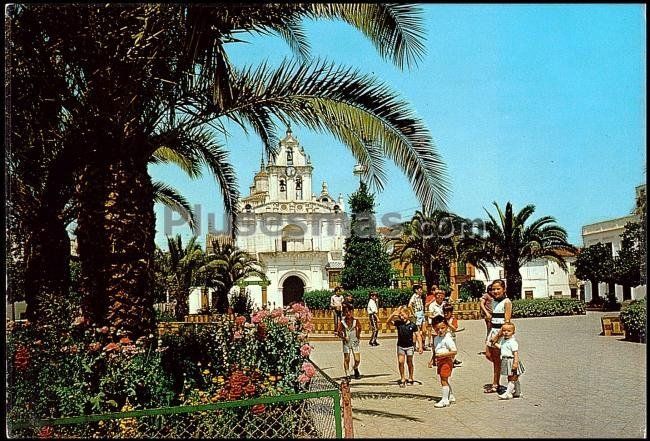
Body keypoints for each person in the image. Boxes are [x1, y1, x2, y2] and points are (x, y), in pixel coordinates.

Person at [483, 279, 512, 394]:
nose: (495, 291)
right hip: (493, 331)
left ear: (504, 289)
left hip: (501, 333)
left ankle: (497, 384)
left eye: (498, 289)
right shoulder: (493, 302)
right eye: (493, 289)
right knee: (489, 355)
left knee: (498, 360)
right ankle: (497, 380)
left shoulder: (507, 302)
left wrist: (497, 336)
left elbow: (507, 322)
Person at [387, 305, 423, 387]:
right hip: (401, 346)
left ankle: (411, 377)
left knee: (409, 362)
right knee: (401, 362)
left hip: (410, 346)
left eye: (403, 315)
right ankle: (402, 377)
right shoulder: (398, 323)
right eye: (400, 316)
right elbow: (388, 322)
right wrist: (393, 315)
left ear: (408, 314)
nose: (402, 317)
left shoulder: (412, 325)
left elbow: (418, 335)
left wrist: (420, 346)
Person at [428, 315, 457, 408]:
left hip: (446, 361)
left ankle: (445, 400)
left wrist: (442, 355)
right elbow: (435, 350)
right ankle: (450, 395)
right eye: (437, 329)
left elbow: (454, 351)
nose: (440, 331)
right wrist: (432, 360)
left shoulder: (448, 339)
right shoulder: (436, 339)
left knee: (443, 380)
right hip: (439, 361)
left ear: (447, 327)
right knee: (444, 379)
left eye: (442, 328)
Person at [490, 322, 525, 399]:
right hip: (506, 360)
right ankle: (518, 392)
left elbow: (515, 353)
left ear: (513, 332)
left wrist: (515, 363)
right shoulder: (504, 340)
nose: (506, 333)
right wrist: (494, 343)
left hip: (511, 360)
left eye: (508, 331)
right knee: (514, 378)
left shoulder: (513, 342)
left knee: (511, 378)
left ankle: (508, 394)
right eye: (504, 330)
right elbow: (502, 347)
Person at [337, 304, 362, 380]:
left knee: (357, 360)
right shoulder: (342, 322)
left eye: (350, 311)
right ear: (344, 313)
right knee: (347, 358)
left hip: (354, 341)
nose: (348, 313)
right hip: (346, 342)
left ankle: (355, 368)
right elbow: (339, 332)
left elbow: (360, 328)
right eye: (346, 312)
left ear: (352, 312)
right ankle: (347, 373)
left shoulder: (355, 321)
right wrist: (344, 337)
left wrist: (358, 335)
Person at [408, 285, 425, 351]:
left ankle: (423, 345)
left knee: (424, 330)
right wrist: (413, 313)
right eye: (420, 290)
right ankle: (415, 346)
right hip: (417, 313)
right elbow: (409, 305)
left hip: (422, 313)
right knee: (416, 331)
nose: (421, 291)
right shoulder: (414, 296)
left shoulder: (420, 297)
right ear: (416, 290)